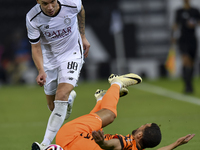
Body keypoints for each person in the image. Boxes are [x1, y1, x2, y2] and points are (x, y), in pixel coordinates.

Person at [55, 73, 195, 150]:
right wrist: (176, 143)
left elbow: (114, 145)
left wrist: (102, 143)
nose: (140, 125)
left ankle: (116, 83)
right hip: (70, 142)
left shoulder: (127, 143)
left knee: (109, 115)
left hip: (70, 136)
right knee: (98, 122)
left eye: (143, 125)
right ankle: (102, 98)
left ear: (140, 135)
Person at [26, 0, 90, 149]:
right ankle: (68, 101)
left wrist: (83, 35)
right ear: (38, 1)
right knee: (52, 106)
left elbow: (81, 9)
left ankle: (44, 144)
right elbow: (35, 47)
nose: (50, 7)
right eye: (45, 3)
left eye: (53, 2)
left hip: (72, 54)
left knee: (61, 94)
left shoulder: (71, 3)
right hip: (49, 60)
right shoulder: (32, 17)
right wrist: (41, 70)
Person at [171, 0, 200, 93]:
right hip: (183, 39)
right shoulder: (179, 11)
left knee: (191, 63)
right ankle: (187, 86)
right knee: (185, 60)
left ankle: (189, 85)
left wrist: (194, 23)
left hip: (192, 39)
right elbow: (175, 25)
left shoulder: (195, 10)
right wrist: (173, 36)